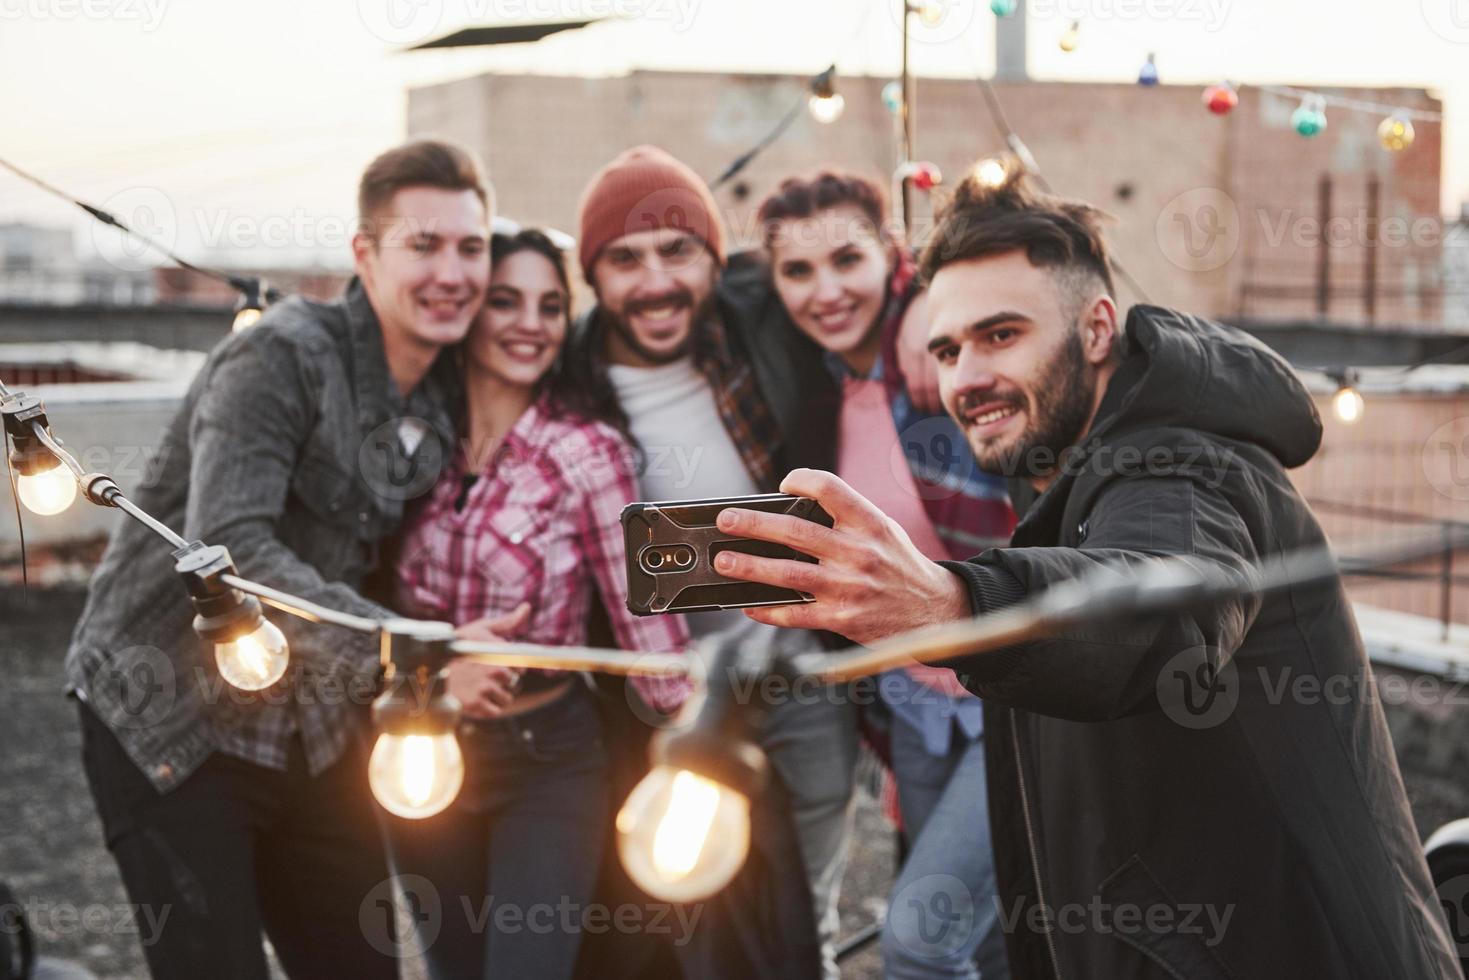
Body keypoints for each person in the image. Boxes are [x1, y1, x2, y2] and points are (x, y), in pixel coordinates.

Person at [712, 159, 1462, 978]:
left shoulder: (1185, 466)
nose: (970, 377)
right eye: (948, 349)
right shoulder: (1066, 483)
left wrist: (949, 603)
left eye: (1002, 334)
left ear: (1098, 328)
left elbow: (1162, 612)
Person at [65, 139, 504, 980]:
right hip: (171, 714)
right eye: (424, 244)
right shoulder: (279, 356)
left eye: (470, 246)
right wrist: (411, 648)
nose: (453, 271)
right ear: (364, 256)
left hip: (314, 721)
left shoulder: (450, 383)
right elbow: (235, 551)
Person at [561, 144, 846, 979]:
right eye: (625, 258)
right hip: (664, 689)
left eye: (677, 251)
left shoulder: (762, 328)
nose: (654, 281)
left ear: (715, 261)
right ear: (594, 274)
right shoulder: (566, 375)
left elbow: (874, 291)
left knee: (811, 905)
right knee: (692, 908)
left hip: (797, 664)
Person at [384, 227, 690, 980]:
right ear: (468, 312)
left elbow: (646, 630)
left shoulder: (589, 452)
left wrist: (703, 742)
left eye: (551, 306)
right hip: (419, 747)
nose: (531, 322)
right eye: (506, 301)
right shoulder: (412, 439)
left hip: (546, 759)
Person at [757, 170, 1012, 980]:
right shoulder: (822, 390)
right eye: (796, 272)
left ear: (891, 257)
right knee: (987, 942)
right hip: (913, 703)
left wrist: (931, 304)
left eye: (846, 260)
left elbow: (1010, 230)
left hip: (1010, 691)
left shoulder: (942, 354)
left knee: (917, 944)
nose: (825, 291)